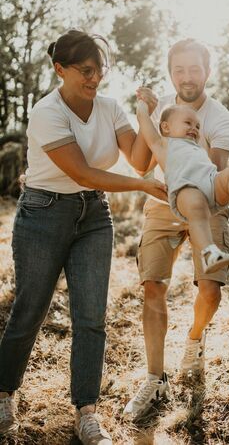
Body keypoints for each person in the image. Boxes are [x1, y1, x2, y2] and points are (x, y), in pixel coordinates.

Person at [0, 30, 166, 444]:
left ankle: (86, 412)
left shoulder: (110, 108)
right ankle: (4, 393)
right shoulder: (46, 112)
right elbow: (83, 172)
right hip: (43, 213)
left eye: (100, 71)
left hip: (94, 215)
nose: (95, 79)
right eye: (86, 71)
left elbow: (141, 161)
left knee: (91, 318)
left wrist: (147, 115)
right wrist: (142, 188)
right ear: (60, 69)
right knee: (30, 309)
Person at [123, 38, 229, 420]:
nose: (187, 77)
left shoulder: (220, 117)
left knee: (211, 290)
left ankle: (195, 338)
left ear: (207, 72)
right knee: (153, 285)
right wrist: (144, 113)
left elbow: (211, 172)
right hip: (165, 201)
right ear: (171, 73)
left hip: (206, 197)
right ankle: (153, 377)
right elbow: (139, 162)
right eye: (179, 69)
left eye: (194, 69)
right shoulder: (162, 111)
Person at [135, 101, 229, 272]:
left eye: (197, 126)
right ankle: (210, 253)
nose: (194, 128)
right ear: (165, 127)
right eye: (188, 123)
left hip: (211, 182)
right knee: (196, 204)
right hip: (185, 190)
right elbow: (145, 124)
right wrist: (143, 106)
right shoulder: (163, 145)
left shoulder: (196, 147)